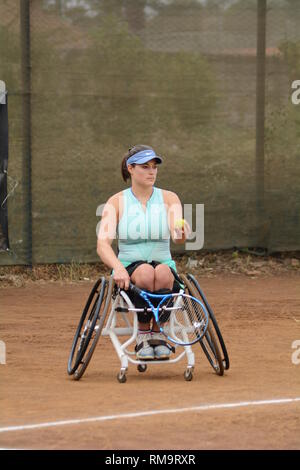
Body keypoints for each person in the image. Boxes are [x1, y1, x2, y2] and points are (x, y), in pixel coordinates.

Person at [97, 144, 191, 360]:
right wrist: (118, 268)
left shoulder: (169, 198)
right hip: (129, 270)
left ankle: (158, 333)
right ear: (130, 169)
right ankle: (142, 334)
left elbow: (177, 237)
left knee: (164, 272)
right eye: (145, 167)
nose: (151, 172)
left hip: (163, 265)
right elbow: (102, 244)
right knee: (146, 272)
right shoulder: (116, 202)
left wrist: (182, 232)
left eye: (154, 167)